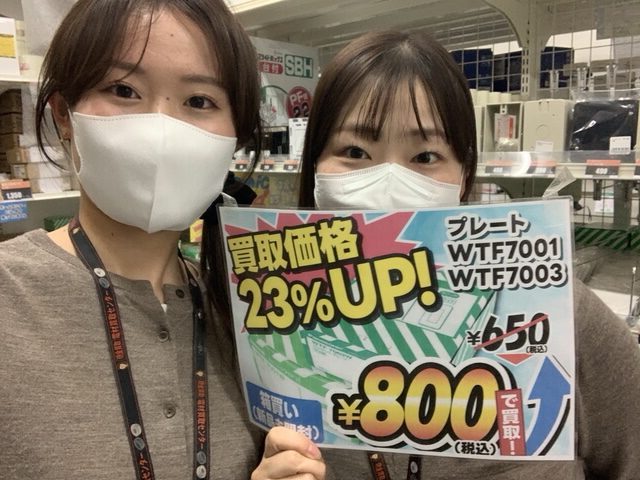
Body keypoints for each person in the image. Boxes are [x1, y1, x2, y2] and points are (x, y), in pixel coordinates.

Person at [0, 1, 323, 479]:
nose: (162, 128)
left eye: (200, 101)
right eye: (123, 90)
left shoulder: (249, 314)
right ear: (64, 115)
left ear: (235, 137)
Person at [297, 31, 640, 479]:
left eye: (425, 156)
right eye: (355, 151)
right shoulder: (277, 316)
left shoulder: (553, 311)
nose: (388, 184)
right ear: (315, 164)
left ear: (464, 174)